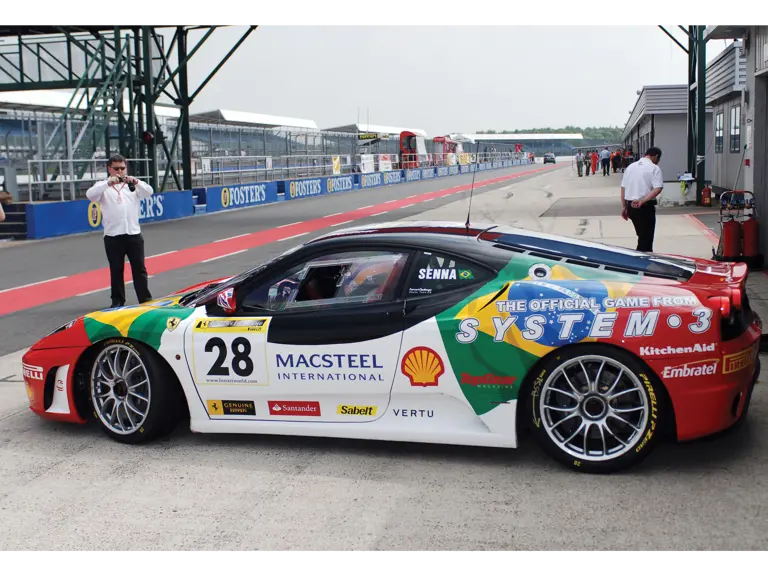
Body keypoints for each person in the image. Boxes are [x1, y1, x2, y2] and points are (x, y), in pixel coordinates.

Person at [85, 154, 154, 308]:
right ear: (109, 169)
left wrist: (136, 182)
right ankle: (117, 300)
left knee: (139, 268)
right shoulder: (103, 186)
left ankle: (145, 298)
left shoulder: (132, 185)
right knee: (116, 270)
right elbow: (90, 195)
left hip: (133, 234)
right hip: (113, 236)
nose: (120, 172)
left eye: (122, 168)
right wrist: (107, 184)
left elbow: (149, 192)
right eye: (116, 169)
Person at [620, 146, 663, 252]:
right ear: (656, 156)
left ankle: (642, 258)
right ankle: (642, 263)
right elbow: (658, 188)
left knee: (642, 236)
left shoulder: (630, 167)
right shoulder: (654, 168)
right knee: (646, 241)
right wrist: (642, 201)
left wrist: (624, 207)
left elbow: (623, 188)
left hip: (631, 208)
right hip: (644, 207)